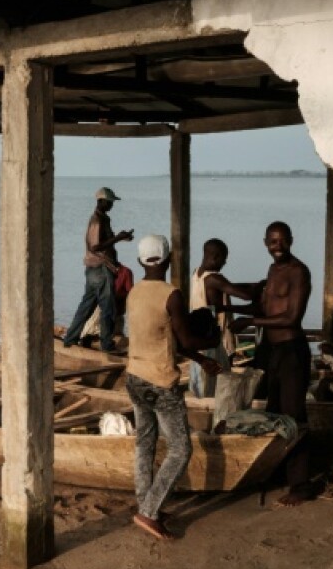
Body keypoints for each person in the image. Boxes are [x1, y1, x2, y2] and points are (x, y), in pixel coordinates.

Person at [126, 234, 222, 541]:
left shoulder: (134, 292)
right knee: (181, 449)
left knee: (145, 443)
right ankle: (149, 511)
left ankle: (146, 502)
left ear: (141, 261)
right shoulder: (172, 295)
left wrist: (200, 361)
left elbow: (169, 338)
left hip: (134, 377)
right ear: (168, 259)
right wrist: (211, 343)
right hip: (160, 382)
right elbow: (187, 340)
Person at [230, 221, 318, 506]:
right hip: (271, 349)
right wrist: (229, 308)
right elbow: (265, 307)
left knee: (293, 416)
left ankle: (302, 484)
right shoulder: (272, 270)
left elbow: (292, 317)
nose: (276, 246)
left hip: (292, 350)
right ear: (265, 242)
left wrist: (250, 321)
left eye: (281, 241)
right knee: (273, 413)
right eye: (272, 241)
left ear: (291, 240)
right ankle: (279, 471)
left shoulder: (298, 271)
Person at [62, 188, 134, 351]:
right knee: (108, 307)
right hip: (100, 268)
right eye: (109, 202)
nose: (111, 205)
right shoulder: (96, 220)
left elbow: (105, 242)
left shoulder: (104, 219)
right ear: (101, 201)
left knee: (87, 305)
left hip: (96, 269)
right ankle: (107, 344)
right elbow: (95, 246)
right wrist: (118, 238)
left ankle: (71, 338)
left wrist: (122, 238)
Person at [188, 238, 255, 399]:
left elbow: (227, 286)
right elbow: (246, 296)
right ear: (216, 257)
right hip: (215, 340)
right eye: (224, 258)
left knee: (201, 385)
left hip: (198, 337)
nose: (225, 262)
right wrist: (263, 289)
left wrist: (253, 284)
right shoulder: (215, 279)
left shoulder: (197, 273)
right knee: (218, 385)